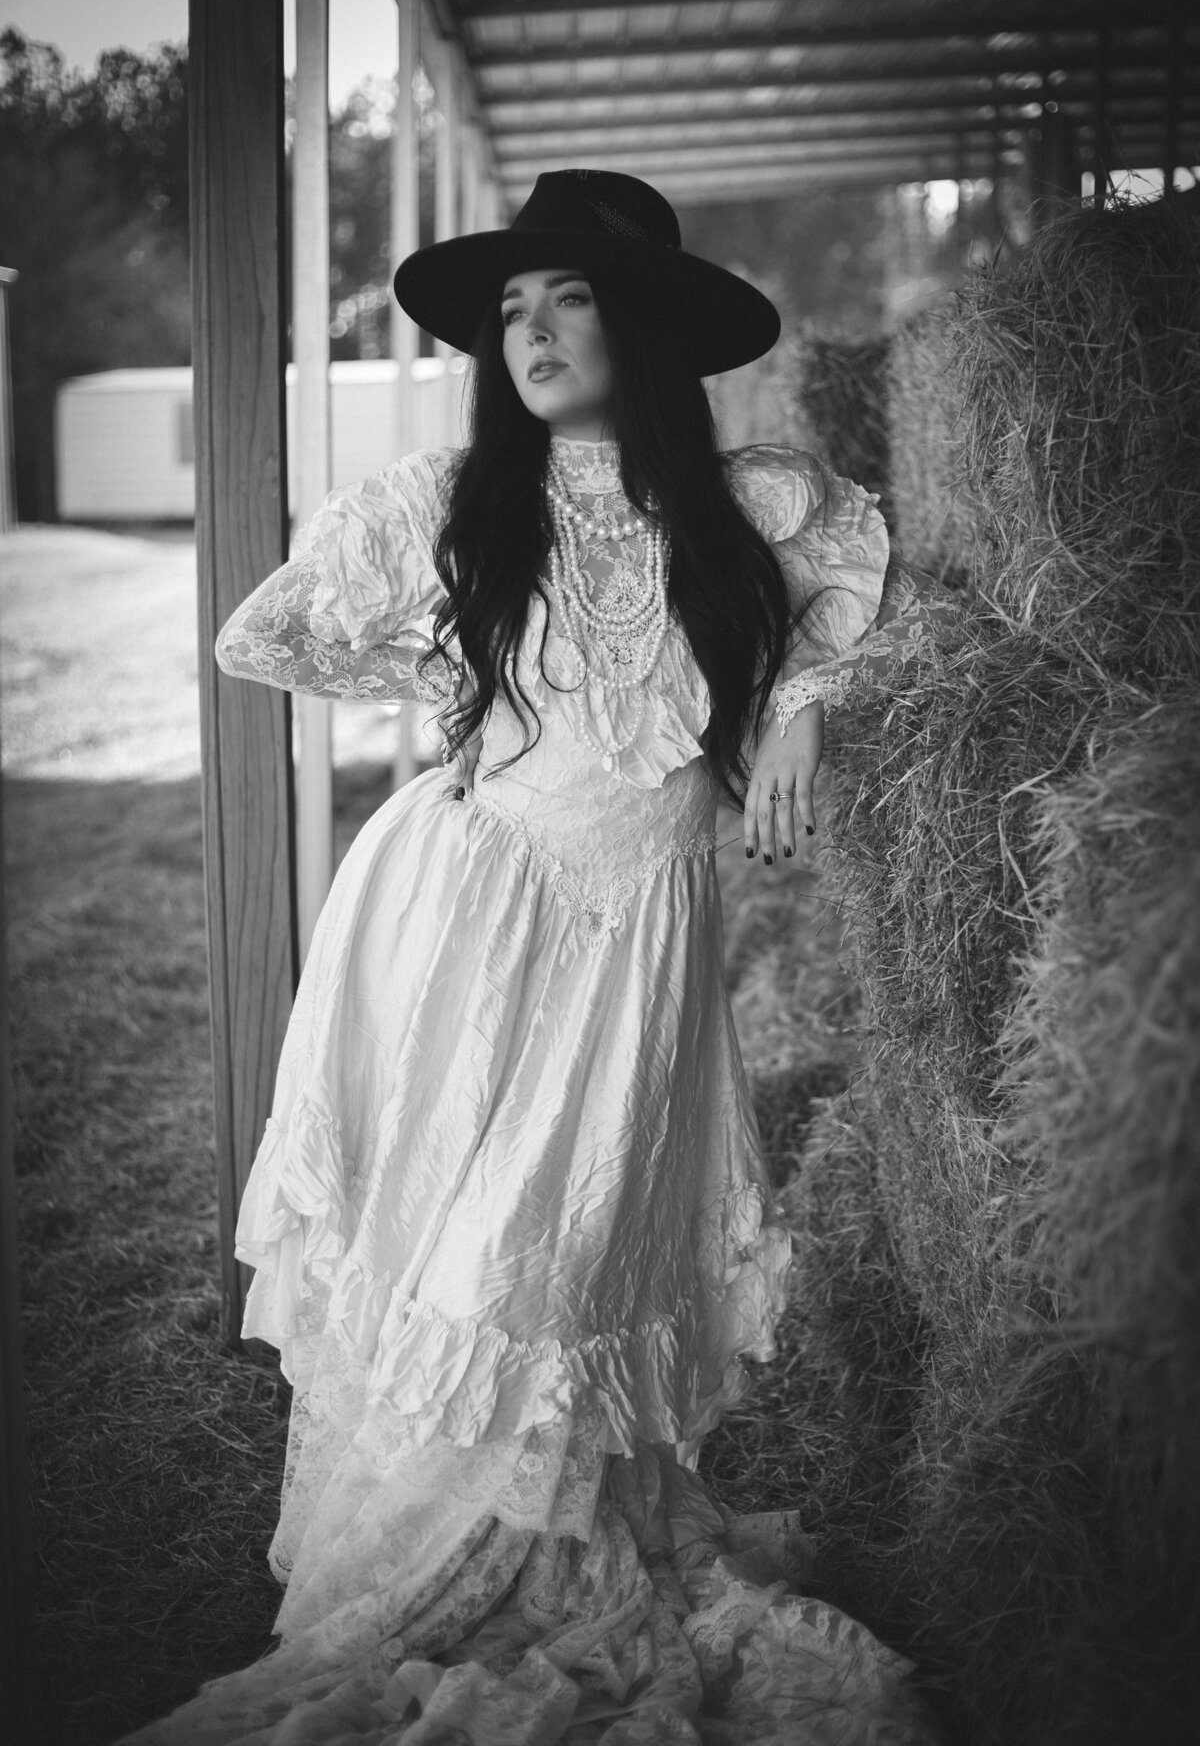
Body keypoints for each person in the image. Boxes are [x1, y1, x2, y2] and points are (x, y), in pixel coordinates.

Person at [130, 171, 953, 1744]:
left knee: (577, 1264)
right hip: (471, 913)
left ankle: (557, 1541)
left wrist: (791, 711)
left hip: (637, 938)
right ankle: (432, 1563)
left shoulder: (758, 506)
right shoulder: (453, 499)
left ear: (638, 321)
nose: (530, 333)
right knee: (473, 1258)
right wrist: (449, 690)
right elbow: (267, 634)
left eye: (563, 296)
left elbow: (871, 598)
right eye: (510, 309)